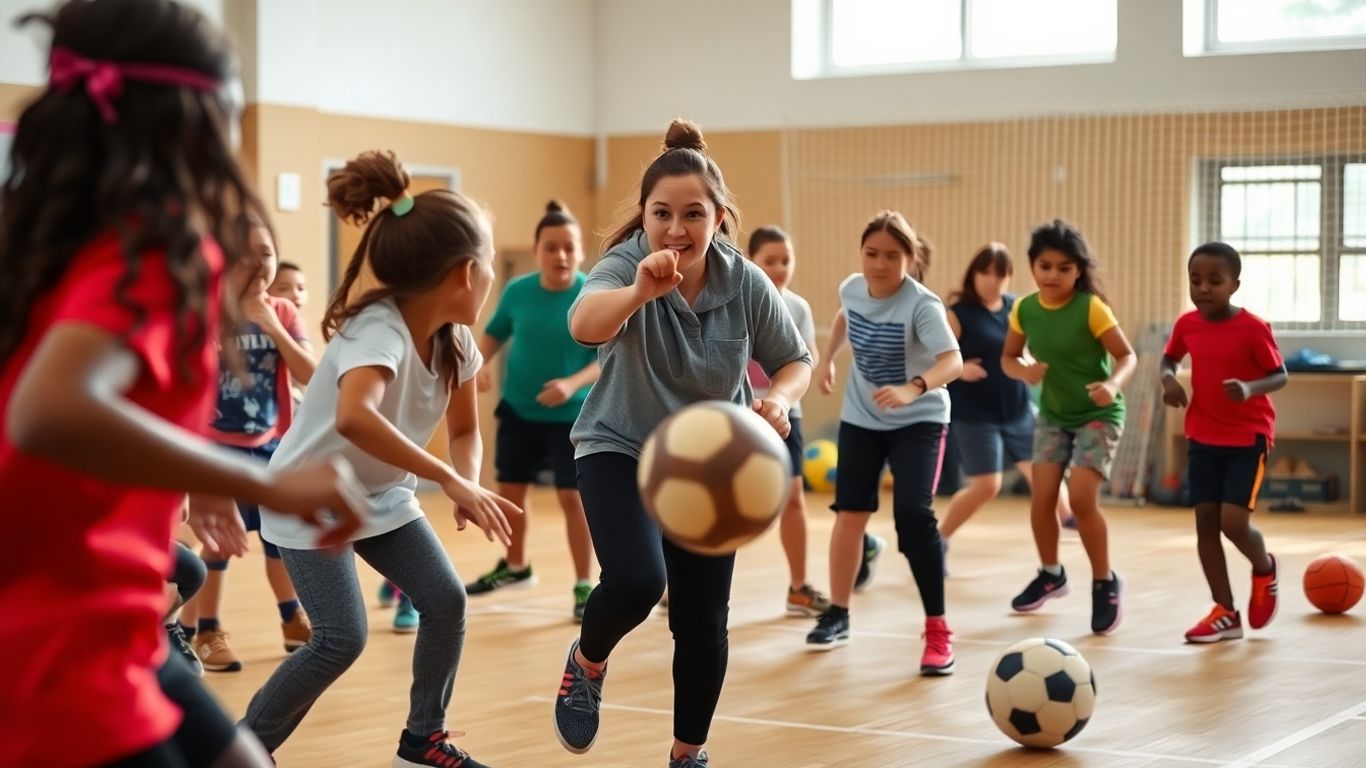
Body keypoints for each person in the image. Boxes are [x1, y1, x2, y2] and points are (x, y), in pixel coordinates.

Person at [0, 2, 366, 765]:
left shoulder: (51, 237)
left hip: (99, 613)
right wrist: (263, 485)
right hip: (63, 637)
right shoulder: (161, 249)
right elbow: (50, 409)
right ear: (196, 121)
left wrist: (197, 484)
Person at [243, 150, 517, 768]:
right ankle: (239, 748)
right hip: (308, 494)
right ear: (464, 273)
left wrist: (465, 482)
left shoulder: (456, 341)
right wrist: (446, 476)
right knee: (342, 638)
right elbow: (353, 416)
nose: (492, 277)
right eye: (492, 266)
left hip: (382, 496)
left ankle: (424, 739)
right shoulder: (378, 330)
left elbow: (466, 429)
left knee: (445, 600)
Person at [552, 120, 811, 768]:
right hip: (620, 445)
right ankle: (587, 661)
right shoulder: (623, 263)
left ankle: (687, 754)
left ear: (718, 218)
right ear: (643, 216)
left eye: (693, 214)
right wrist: (640, 289)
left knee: (701, 618)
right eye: (662, 213)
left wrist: (778, 400)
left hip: (710, 463)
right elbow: (583, 324)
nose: (676, 229)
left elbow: (794, 361)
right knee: (639, 581)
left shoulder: (745, 280)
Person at [805, 211, 963, 679]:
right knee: (850, 514)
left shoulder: (922, 305)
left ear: (910, 260)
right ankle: (838, 612)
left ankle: (937, 630)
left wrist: (915, 387)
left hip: (919, 420)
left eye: (893, 256)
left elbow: (952, 361)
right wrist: (829, 359)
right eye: (872, 253)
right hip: (862, 416)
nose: (880, 264)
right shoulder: (853, 287)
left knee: (913, 518)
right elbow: (844, 315)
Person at [1002, 220, 1135, 635]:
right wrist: (1023, 371)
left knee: (1080, 498)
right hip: (1055, 416)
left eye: (1063, 267)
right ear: (1032, 267)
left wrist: (1112, 384)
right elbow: (1009, 358)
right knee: (1041, 498)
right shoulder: (1024, 309)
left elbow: (1127, 356)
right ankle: (1051, 573)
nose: (1053, 275)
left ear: (1078, 270)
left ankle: (1104, 582)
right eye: (1045, 266)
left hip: (1098, 414)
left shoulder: (1091, 308)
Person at [469, 200, 599, 622]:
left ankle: (584, 584)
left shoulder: (592, 292)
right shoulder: (517, 291)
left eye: (568, 247)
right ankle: (516, 566)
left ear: (580, 251)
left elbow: (608, 358)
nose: (560, 256)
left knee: (572, 497)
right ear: (537, 249)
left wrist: (571, 385)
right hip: (519, 410)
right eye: (551, 247)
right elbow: (491, 336)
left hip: (573, 416)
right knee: (511, 492)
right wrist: (479, 365)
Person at [1161, 241, 1284, 643]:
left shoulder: (1253, 327)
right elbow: (1169, 358)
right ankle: (1225, 611)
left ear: (1234, 285)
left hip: (1248, 437)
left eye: (1215, 280)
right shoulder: (1187, 325)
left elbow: (1280, 375)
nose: (1203, 289)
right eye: (1196, 280)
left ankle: (1264, 567)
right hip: (1203, 434)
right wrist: (1167, 379)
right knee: (1205, 523)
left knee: (1234, 523)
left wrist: (1250, 388)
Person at [938, 244, 1075, 572]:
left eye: (1001, 274)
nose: (993, 281)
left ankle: (1069, 517)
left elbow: (1020, 352)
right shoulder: (957, 313)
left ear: (1010, 277)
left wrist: (1030, 366)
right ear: (974, 274)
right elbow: (935, 359)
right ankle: (939, 538)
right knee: (987, 486)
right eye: (986, 272)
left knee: (1044, 469)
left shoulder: (1016, 307)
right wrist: (960, 369)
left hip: (1016, 409)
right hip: (974, 414)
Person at [744, 225, 831, 616]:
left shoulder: (798, 307)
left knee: (793, 498)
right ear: (751, 262)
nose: (779, 268)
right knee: (719, 501)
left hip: (784, 416)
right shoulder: (737, 301)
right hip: (737, 418)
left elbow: (805, 355)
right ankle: (680, 585)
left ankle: (798, 587)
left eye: (786, 260)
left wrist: (819, 365)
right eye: (770, 261)